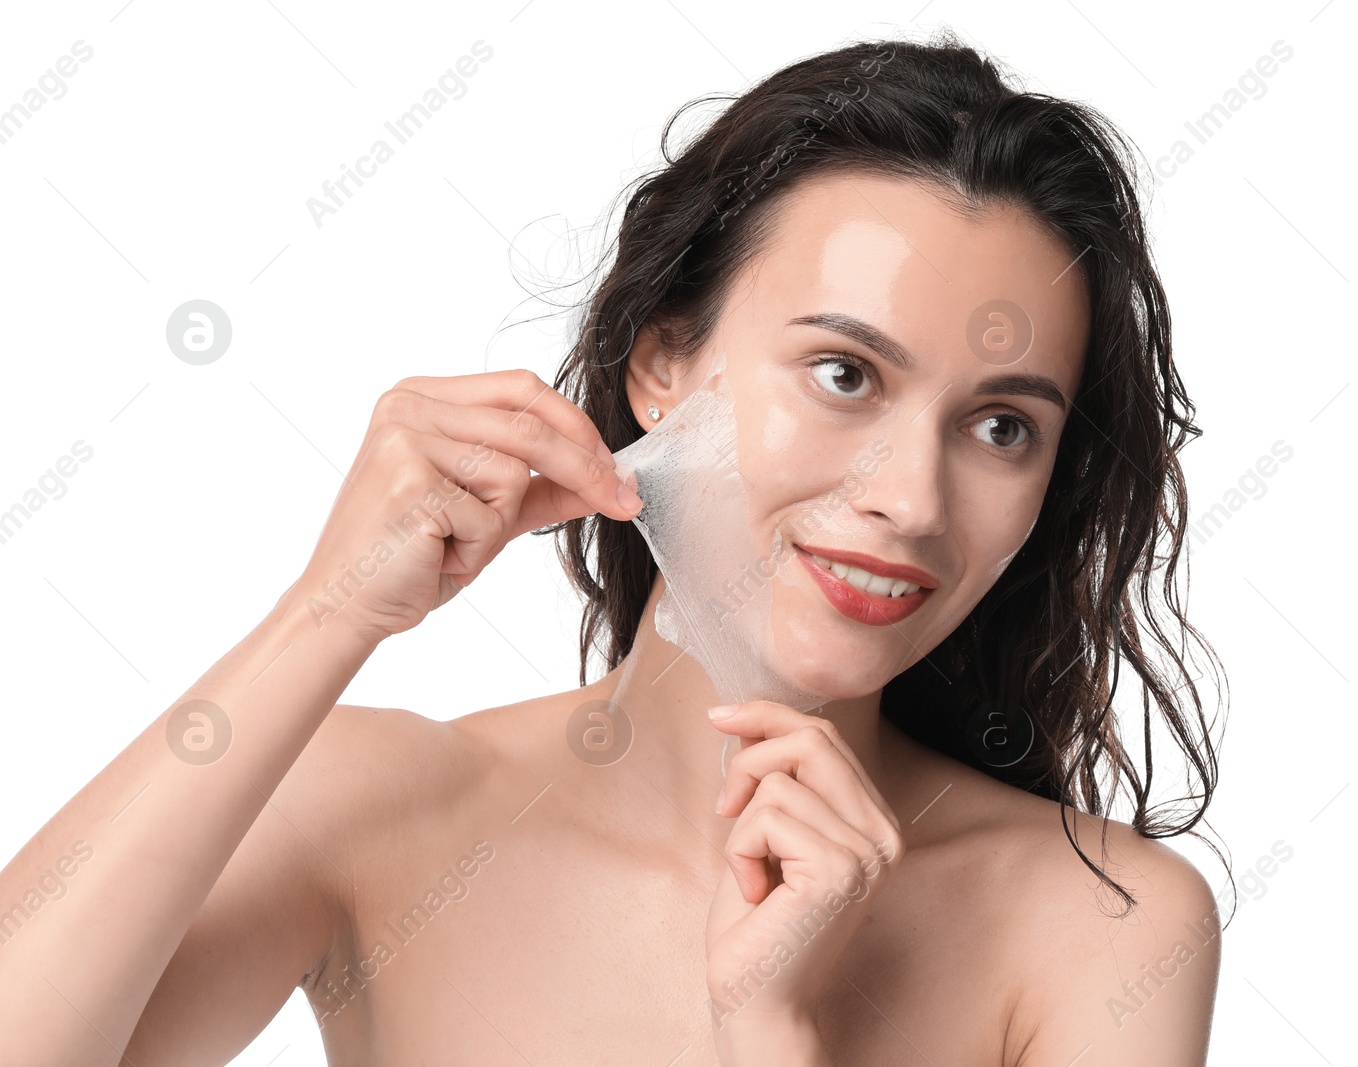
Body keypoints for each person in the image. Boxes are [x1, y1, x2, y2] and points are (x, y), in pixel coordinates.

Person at [0, 31, 1225, 1066]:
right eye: (844, 372)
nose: (910, 497)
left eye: (1001, 425)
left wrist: (771, 1031)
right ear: (661, 364)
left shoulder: (1099, 924)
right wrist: (327, 611)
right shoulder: (384, 813)